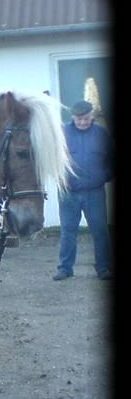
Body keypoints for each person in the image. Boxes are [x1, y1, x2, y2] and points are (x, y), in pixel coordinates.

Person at [53, 100, 113, 281]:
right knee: (68, 231)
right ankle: (65, 269)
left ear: (92, 116)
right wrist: (63, 180)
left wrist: (102, 177)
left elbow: (112, 162)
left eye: (86, 118)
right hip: (68, 193)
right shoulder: (61, 133)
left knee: (100, 231)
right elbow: (53, 160)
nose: (82, 122)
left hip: (94, 192)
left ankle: (104, 268)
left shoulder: (102, 134)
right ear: (73, 117)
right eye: (79, 119)